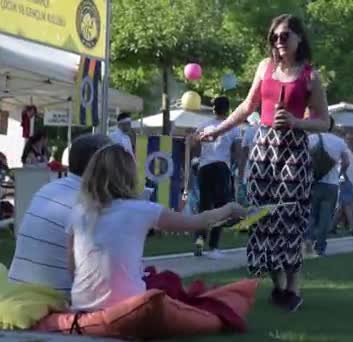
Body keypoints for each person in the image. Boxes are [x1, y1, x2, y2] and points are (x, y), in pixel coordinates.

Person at [197, 14, 330, 312]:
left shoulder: (310, 76)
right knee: (261, 217)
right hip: (263, 148)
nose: (278, 42)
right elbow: (247, 106)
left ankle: (293, 288)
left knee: (289, 218)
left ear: (298, 38)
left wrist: (297, 121)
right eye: (274, 37)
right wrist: (216, 130)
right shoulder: (264, 67)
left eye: (284, 36)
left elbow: (324, 121)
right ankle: (278, 286)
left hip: (293, 150)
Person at [66, 144, 246, 311]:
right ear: (128, 175)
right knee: (168, 281)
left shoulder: (79, 211)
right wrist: (229, 209)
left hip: (81, 304)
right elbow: (197, 222)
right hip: (129, 305)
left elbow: (72, 265)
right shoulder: (141, 210)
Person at [8, 134, 111, 294]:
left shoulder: (48, 189)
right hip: (55, 301)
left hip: (16, 289)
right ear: (102, 165)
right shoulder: (90, 204)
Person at [194, 96, 241, 259]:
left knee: (204, 205)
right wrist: (240, 173)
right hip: (221, 167)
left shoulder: (204, 125)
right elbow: (237, 151)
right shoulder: (233, 127)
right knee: (221, 207)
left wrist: (197, 159)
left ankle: (199, 239)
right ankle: (213, 246)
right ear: (228, 109)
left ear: (214, 109)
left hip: (204, 168)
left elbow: (194, 144)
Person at [306, 120, 349, 256]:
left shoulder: (310, 139)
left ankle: (307, 242)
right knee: (325, 218)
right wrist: (340, 173)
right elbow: (346, 162)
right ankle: (320, 248)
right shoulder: (340, 142)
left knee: (311, 214)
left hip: (314, 182)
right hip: (332, 185)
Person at [332, 135, 353, 237]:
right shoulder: (345, 151)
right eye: (350, 139)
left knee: (341, 206)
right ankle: (352, 228)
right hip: (346, 179)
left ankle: (332, 227)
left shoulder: (349, 152)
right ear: (345, 140)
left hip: (349, 180)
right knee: (348, 205)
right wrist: (342, 177)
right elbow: (343, 165)